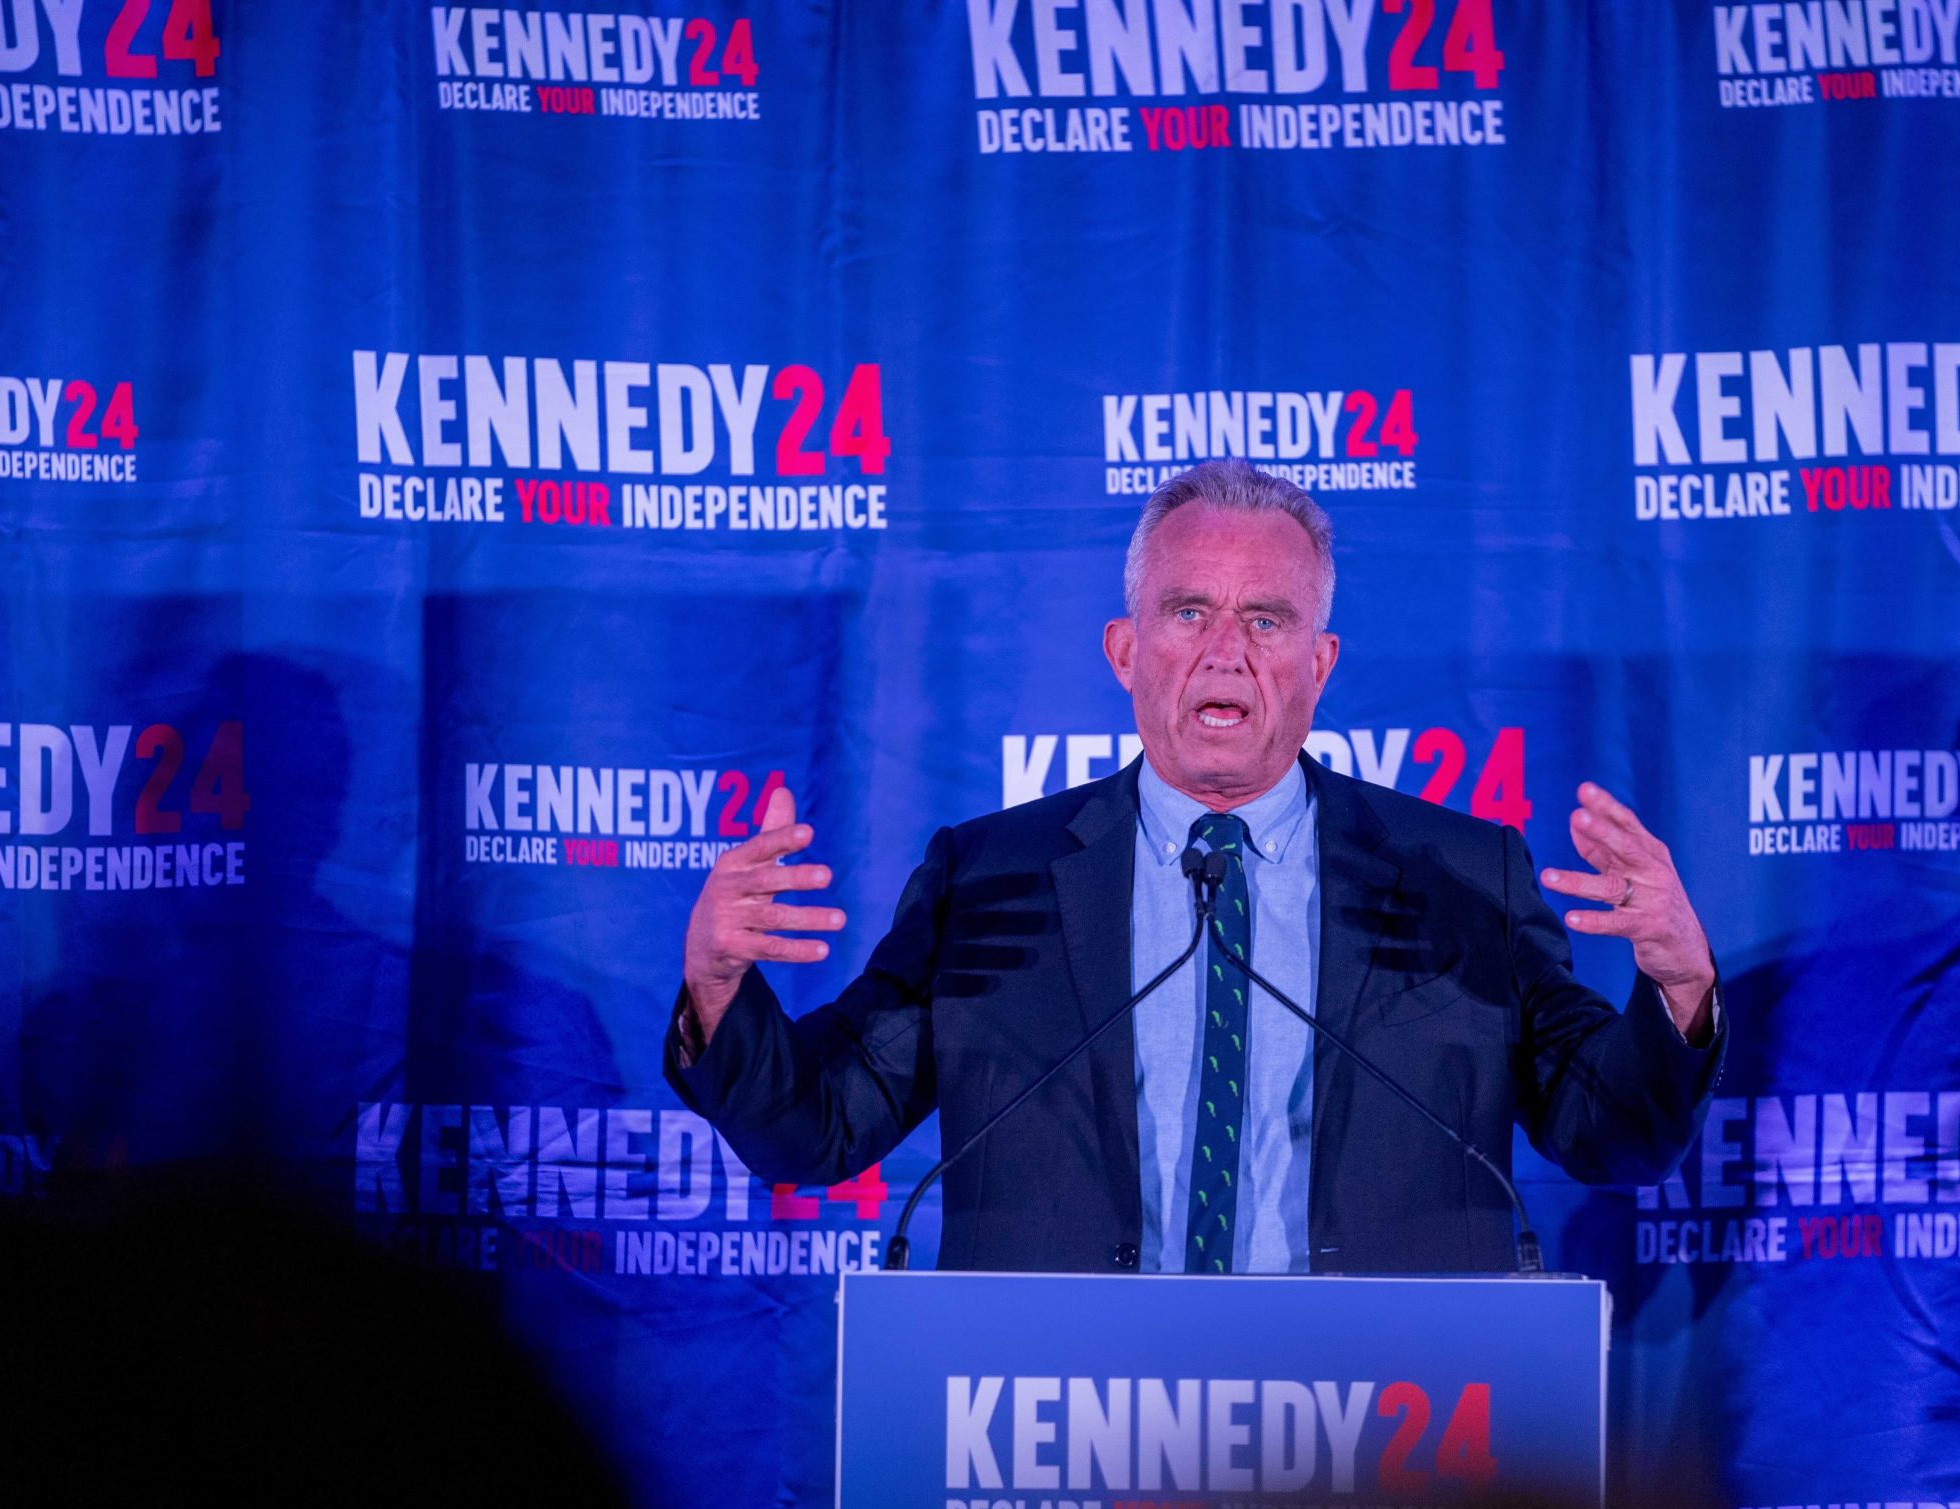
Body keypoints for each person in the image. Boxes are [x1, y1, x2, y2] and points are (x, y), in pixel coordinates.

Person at [666, 459, 1722, 1274]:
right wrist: (718, 988)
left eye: (1266, 620)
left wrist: (1678, 992)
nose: (1226, 652)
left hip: (1380, 1430)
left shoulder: (1458, 875)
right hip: (1065, 1429)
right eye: (1188, 613)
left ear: (1321, 664)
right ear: (1126, 650)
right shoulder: (990, 876)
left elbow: (1612, 1137)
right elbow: (818, 1127)